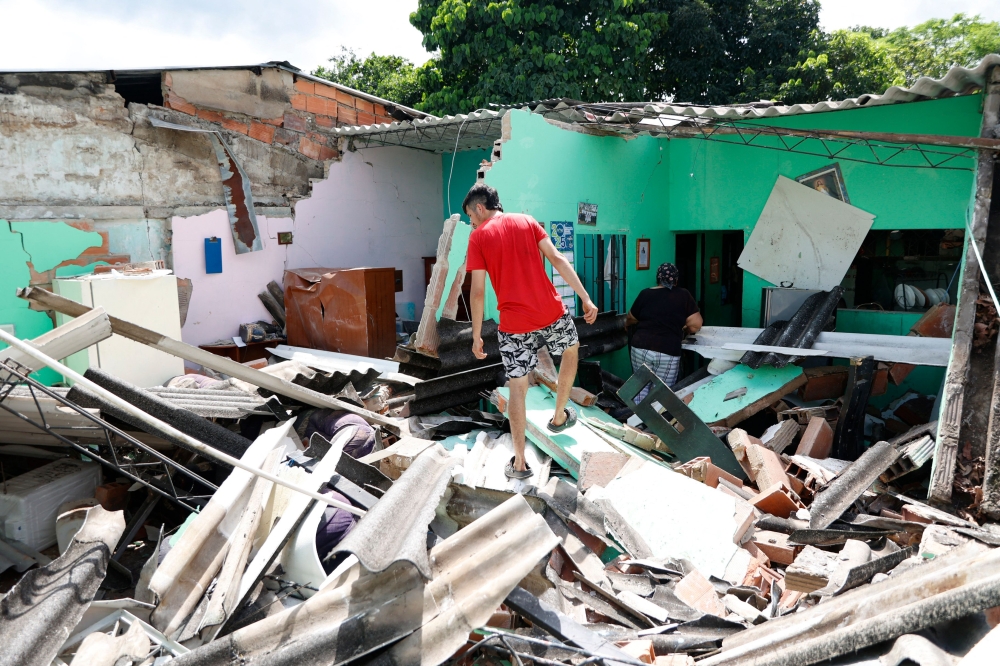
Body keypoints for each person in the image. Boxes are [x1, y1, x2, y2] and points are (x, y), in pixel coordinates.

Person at [464, 183, 598, 479]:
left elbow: (477, 292)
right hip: (550, 312)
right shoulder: (527, 221)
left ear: (480, 208)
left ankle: (521, 462)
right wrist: (585, 298)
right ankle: (560, 415)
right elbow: (558, 260)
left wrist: (476, 335)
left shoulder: (478, 237)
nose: (471, 223)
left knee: (517, 388)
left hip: (513, 326)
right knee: (571, 349)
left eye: (471, 218)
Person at [625, 262, 703, 401]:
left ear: (657, 279)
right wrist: (685, 327)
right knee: (661, 396)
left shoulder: (645, 293)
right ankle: (654, 422)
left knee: (640, 390)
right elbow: (696, 324)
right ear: (676, 280)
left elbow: (631, 318)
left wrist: (629, 325)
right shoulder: (683, 295)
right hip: (667, 351)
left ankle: (635, 422)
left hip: (641, 348)